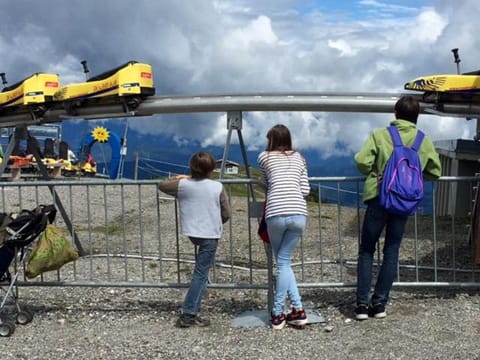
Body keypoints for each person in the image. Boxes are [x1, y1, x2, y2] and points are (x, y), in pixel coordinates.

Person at [354, 95, 442, 320]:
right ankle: (380, 304)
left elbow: (362, 162)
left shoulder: (381, 135)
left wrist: (374, 172)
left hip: (379, 198)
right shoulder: (423, 140)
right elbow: (436, 172)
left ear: (396, 113)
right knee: (391, 251)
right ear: (417, 117)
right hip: (404, 202)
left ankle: (362, 306)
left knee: (367, 250)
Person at [158, 151, 230, 328]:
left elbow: (162, 184)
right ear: (211, 168)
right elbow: (226, 213)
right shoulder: (217, 187)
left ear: (191, 167)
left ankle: (193, 308)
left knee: (201, 272)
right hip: (210, 233)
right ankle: (189, 313)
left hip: (192, 232)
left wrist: (187, 178)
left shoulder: (183, 185)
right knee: (200, 273)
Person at [257, 124, 311, 330]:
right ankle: (297, 310)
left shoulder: (264, 157)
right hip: (298, 212)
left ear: (270, 140)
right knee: (285, 263)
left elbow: (267, 182)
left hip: (275, 213)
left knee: (282, 264)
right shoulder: (300, 158)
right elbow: (305, 189)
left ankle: (278, 314)